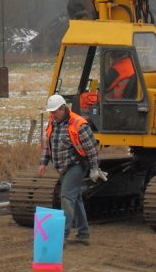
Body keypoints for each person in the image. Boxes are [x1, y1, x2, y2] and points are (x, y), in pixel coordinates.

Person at [38, 94, 106, 245]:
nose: (52, 115)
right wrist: (43, 163)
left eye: (55, 112)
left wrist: (95, 168)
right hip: (62, 167)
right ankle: (83, 233)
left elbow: (92, 149)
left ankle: (63, 236)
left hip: (76, 166)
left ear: (63, 109)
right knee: (75, 199)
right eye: (51, 112)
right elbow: (48, 145)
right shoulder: (52, 123)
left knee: (66, 198)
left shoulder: (79, 125)